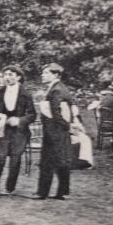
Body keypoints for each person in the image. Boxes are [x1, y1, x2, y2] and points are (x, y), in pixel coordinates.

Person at [0, 65, 36, 198]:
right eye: (6, 74)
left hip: (20, 132)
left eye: (11, 75)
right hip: (3, 131)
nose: (8, 77)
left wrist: (19, 120)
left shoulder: (26, 94)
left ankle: (10, 187)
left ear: (18, 77)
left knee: (15, 160)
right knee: (0, 158)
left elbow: (32, 115)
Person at [33, 63, 74, 200]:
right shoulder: (60, 88)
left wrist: (64, 125)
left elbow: (56, 113)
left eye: (46, 73)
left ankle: (42, 193)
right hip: (58, 130)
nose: (42, 75)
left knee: (47, 161)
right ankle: (61, 192)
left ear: (55, 75)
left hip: (54, 130)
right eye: (43, 73)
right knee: (60, 160)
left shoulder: (56, 90)